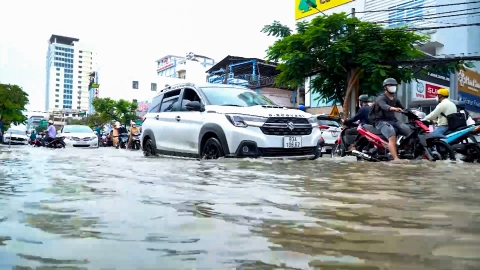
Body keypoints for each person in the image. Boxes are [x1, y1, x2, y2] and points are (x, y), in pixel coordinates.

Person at [373, 78, 412, 161]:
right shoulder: (381, 98)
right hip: (381, 121)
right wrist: (394, 108)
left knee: (409, 130)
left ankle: (406, 152)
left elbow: (403, 109)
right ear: (385, 87)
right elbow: (384, 106)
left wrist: (411, 112)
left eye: (394, 85)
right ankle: (396, 158)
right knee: (391, 134)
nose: (393, 87)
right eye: (390, 85)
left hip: (393, 120)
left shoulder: (395, 99)